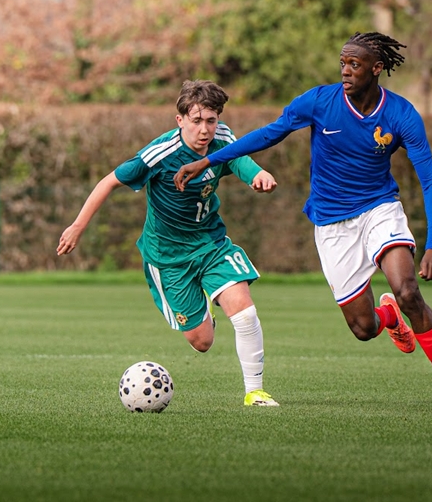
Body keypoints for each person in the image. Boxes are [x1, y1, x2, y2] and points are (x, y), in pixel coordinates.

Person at [174, 32, 432, 414]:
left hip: (380, 209)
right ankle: (389, 317)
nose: (346, 71)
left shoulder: (401, 115)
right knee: (363, 328)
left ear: (377, 68)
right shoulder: (319, 102)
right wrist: (208, 160)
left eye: (355, 64)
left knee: (407, 290)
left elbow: (429, 179)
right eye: (343, 63)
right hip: (332, 224)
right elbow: (270, 133)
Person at [57, 80, 280, 408]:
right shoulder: (159, 154)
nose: (205, 129)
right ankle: (204, 308)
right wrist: (78, 226)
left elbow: (240, 160)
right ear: (180, 120)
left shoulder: (222, 138)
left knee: (244, 313)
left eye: (211, 120)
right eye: (196, 120)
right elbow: (109, 181)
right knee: (202, 341)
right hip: (168, 257)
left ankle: (255, 392)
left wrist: (258, 175)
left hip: (211, 244)